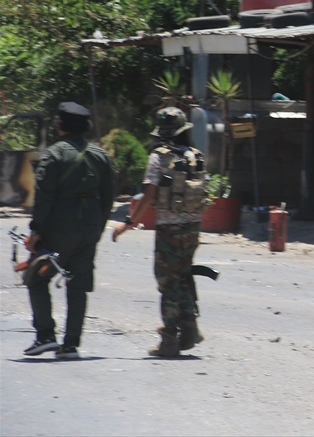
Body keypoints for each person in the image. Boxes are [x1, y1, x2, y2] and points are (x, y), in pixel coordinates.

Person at [112, 107, 208, 358]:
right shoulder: (196, 155)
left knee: (167, 281)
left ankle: (169, 340)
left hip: (169, 229)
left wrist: (129, 222)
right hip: (193, 227)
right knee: (183, 276)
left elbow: (149, 195)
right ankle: (190, 328)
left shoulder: (159, 157)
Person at [24, 102, 115, 359]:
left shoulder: (53, 155)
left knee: (36, 277)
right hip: (90, 228)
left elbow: (44, 197)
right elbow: (109, 196)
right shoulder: (101, 155)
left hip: (60, 229)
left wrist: (35, 231)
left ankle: (45, 336)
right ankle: (71, 345)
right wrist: (97, 227)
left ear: (60, 125)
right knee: (78, 285)